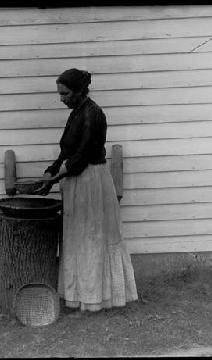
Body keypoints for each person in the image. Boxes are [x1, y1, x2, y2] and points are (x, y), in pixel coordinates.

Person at [35, 68, 138, 313]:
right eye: (60, 94)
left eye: (65, 93)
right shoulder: (76, 113)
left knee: (92, 237)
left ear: (80, 91)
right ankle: (78, 295)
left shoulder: (94, 114)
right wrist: (52, 169)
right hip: (75, 180)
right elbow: (67, 150)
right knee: (79, 237)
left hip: (91, 180)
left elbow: (81, 156)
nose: (62, 98)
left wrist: (54, 179)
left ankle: (96, 297)